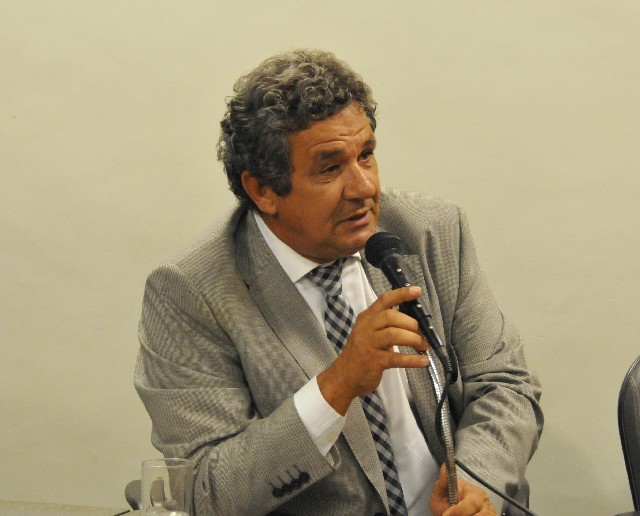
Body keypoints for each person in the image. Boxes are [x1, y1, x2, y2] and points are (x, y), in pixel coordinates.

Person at [135, 48, 543, 516]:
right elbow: (206, 490)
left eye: (366, 155)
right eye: (330, 168)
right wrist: (338, 384)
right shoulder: (190, 293)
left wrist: (471, 484)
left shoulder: (430, 231)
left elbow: (504, 382)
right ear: (262, 190)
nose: (364, 187)